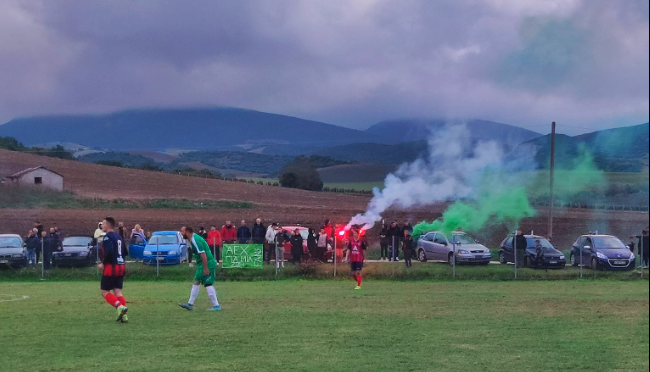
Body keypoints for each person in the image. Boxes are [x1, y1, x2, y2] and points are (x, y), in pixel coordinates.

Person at [178, 226, 221, 312]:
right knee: (196, 281)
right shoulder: (192, 239)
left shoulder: (195, 240)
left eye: (182, 232)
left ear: (187, 232)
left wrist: (205, 268)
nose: (181, 234)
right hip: (203, 264)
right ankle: (190, 304)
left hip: (207, 263)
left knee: (208, 284)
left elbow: (203, 254)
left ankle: (216, 306)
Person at [98, 217, 129, 323]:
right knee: (118, 292)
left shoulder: (107, 237)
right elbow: (125, 252)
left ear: (109, 225)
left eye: (104, 224)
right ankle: (124, 316)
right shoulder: (119, 237)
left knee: (104, 291)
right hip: (121, 266)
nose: (102, 226)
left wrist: (103, 263)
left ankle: (119, 306)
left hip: (111, 267)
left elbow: (110, 251)